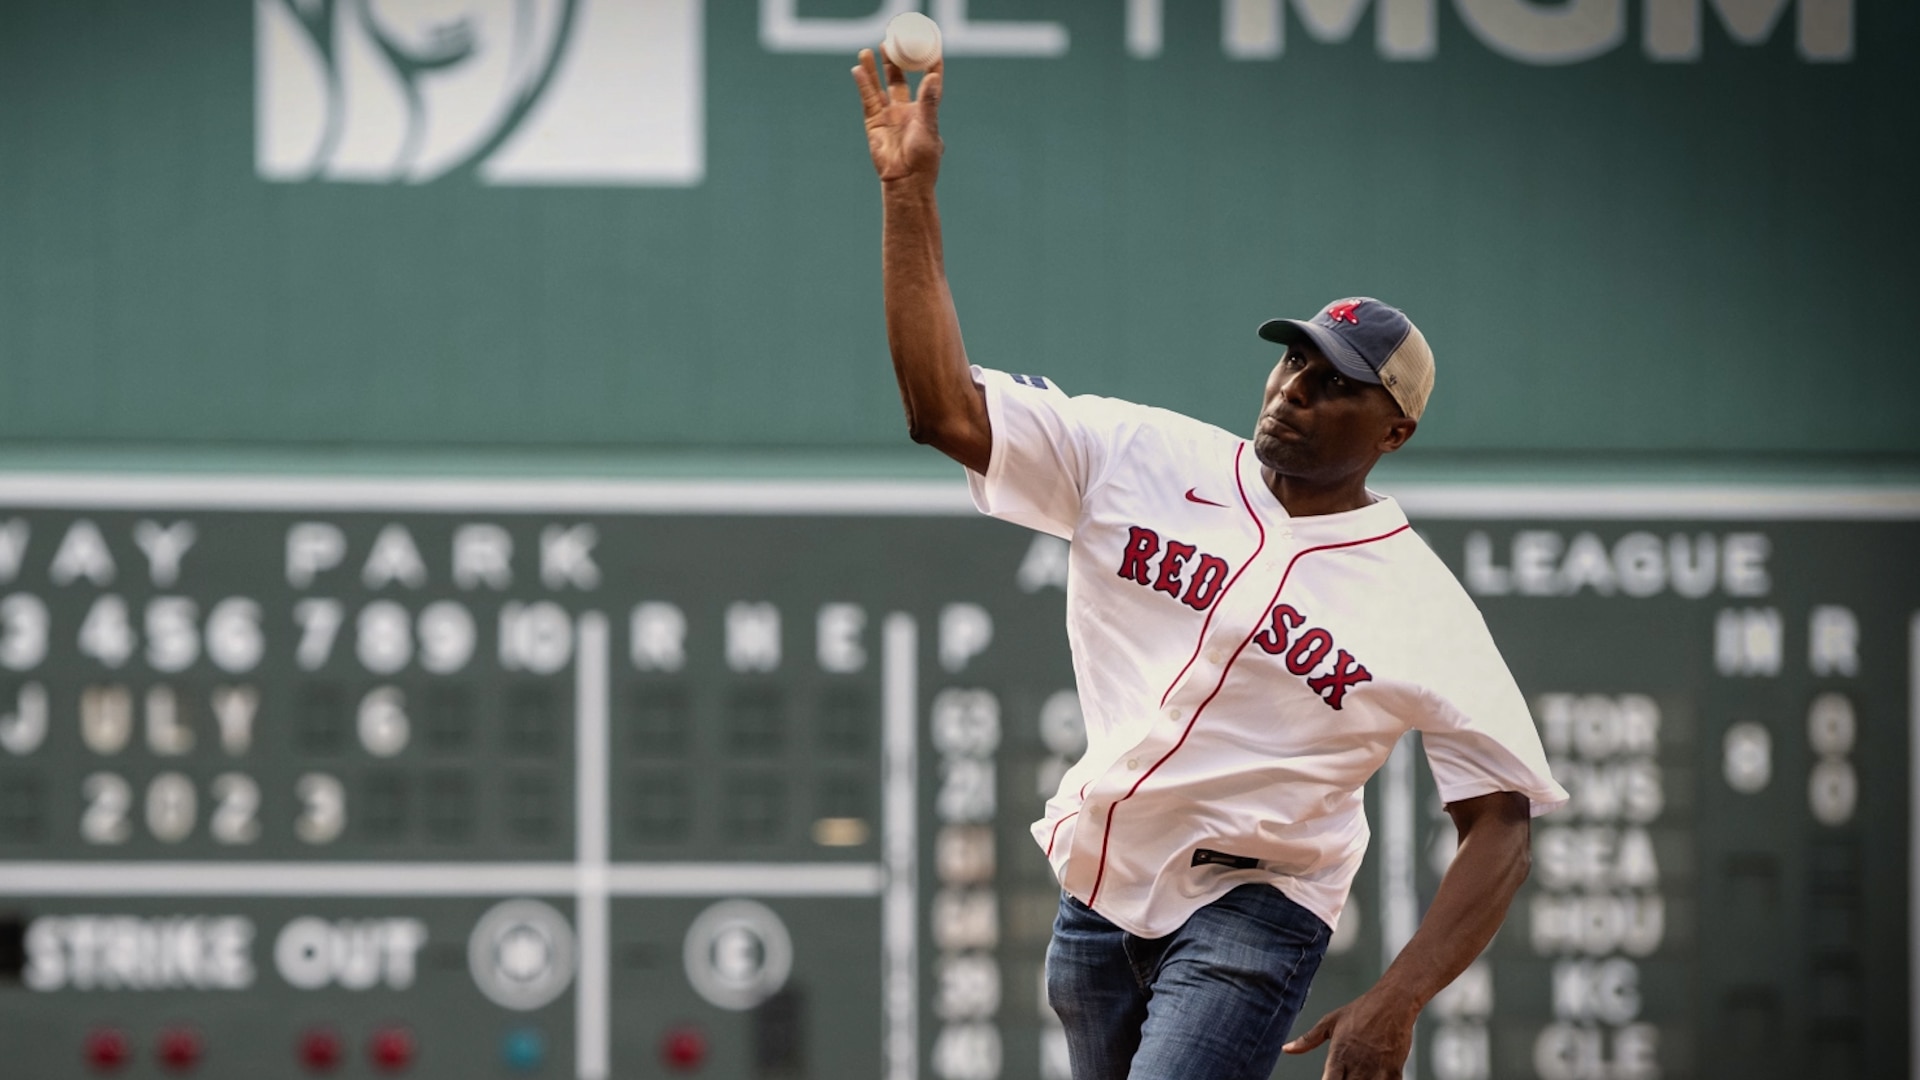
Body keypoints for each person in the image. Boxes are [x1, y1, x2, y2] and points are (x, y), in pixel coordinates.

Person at [851, 49, 1568, 1080]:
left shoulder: (1418, 600)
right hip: (1097, 893)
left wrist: (1397, 998)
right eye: (1295, 360)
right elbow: (944, 411)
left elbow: (1500, 820)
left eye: (1337, 383)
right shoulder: (1141, 455)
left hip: (1257, 909)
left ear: (1394, 430)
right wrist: (909, 195)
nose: (1297, 388)